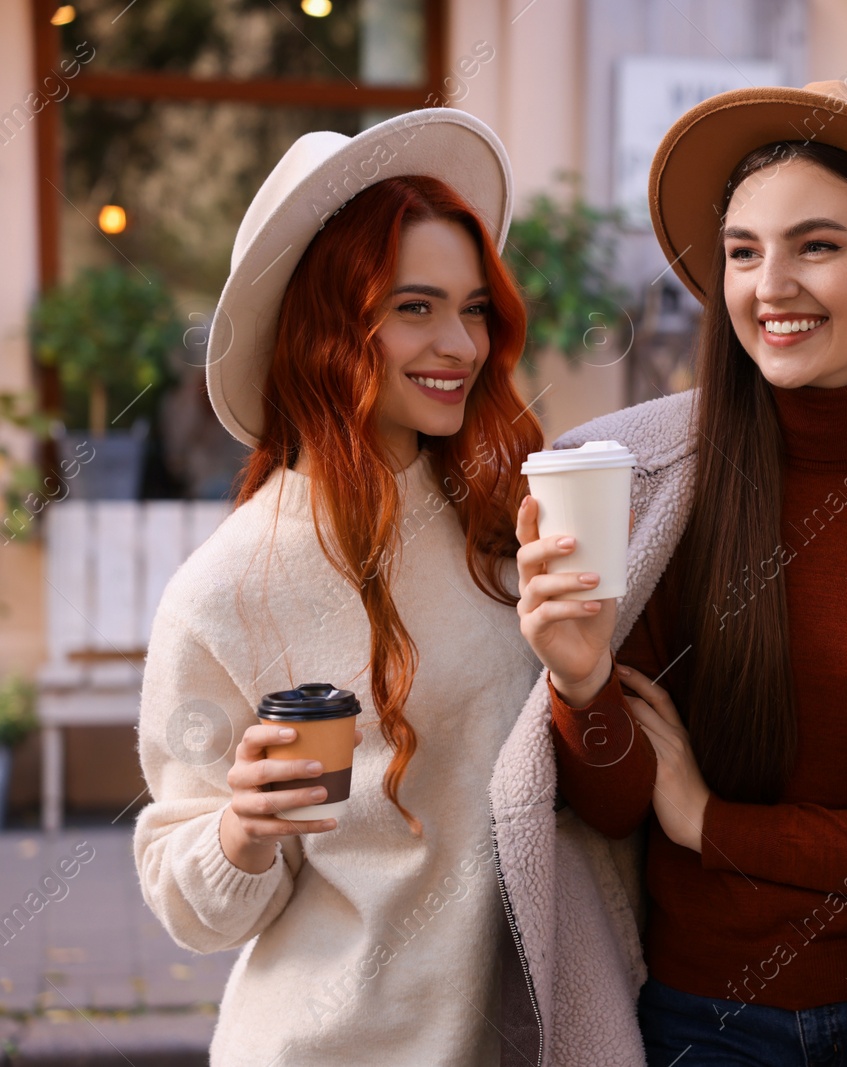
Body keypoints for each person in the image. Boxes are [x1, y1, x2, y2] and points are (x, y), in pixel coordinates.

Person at [491, 81, 847, 1067]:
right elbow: (612, 809)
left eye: (816, 245)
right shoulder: (633, 480)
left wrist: (713, 824)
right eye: (742, 251)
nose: (770, 286)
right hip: (697, 1023)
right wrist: (580, 678)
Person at [134, 111, 544, 1066]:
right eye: (414, 306)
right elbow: (189, 894)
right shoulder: (228, 587)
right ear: (330, 325)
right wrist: (241, 828)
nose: (461, 343)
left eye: (475, 306)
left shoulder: (506, 509)